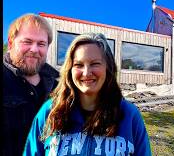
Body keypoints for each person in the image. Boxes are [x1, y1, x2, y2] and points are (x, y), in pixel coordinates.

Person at [24, 33, 152, 156]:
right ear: (70, 70)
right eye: (78, 65)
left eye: (95, 64)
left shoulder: (130, 115)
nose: (86, 73)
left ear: (108, 68)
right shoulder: (49, 112)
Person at [2, 13, 59, 156]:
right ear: (10, 43)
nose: (34, 49)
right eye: (27, 42)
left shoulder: (59, 89)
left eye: (41, 44)